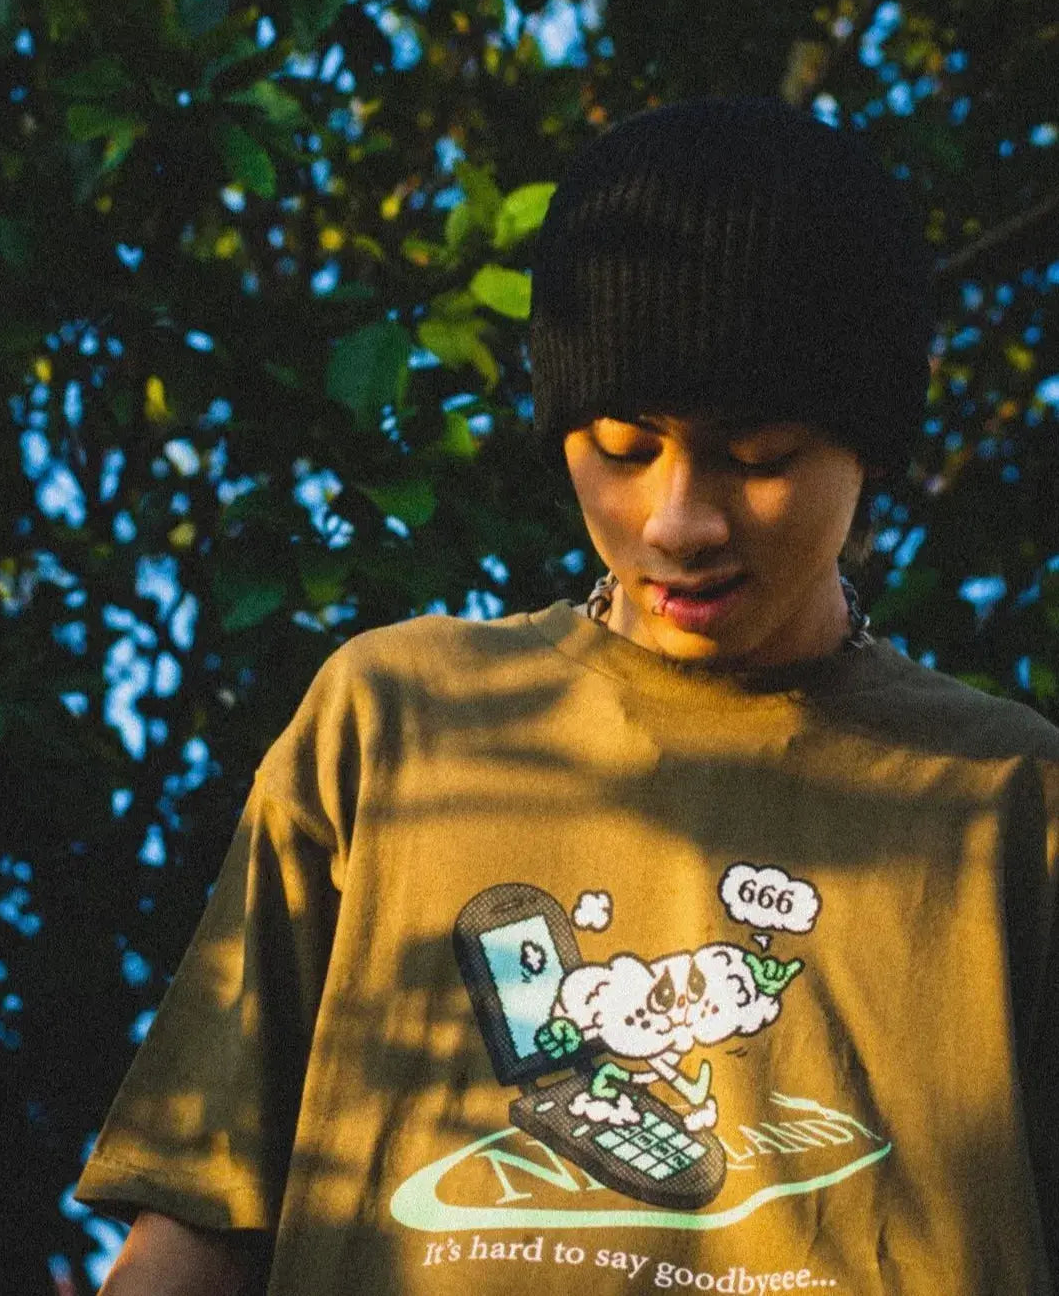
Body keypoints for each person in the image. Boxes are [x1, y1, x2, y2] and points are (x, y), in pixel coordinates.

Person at [77, 98, 1059, 1295]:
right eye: (621, 446)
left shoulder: (1011, 801)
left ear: (870, 444)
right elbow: (196, 1221)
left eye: (757, 457)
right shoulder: (394, 723)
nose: (677, 522)